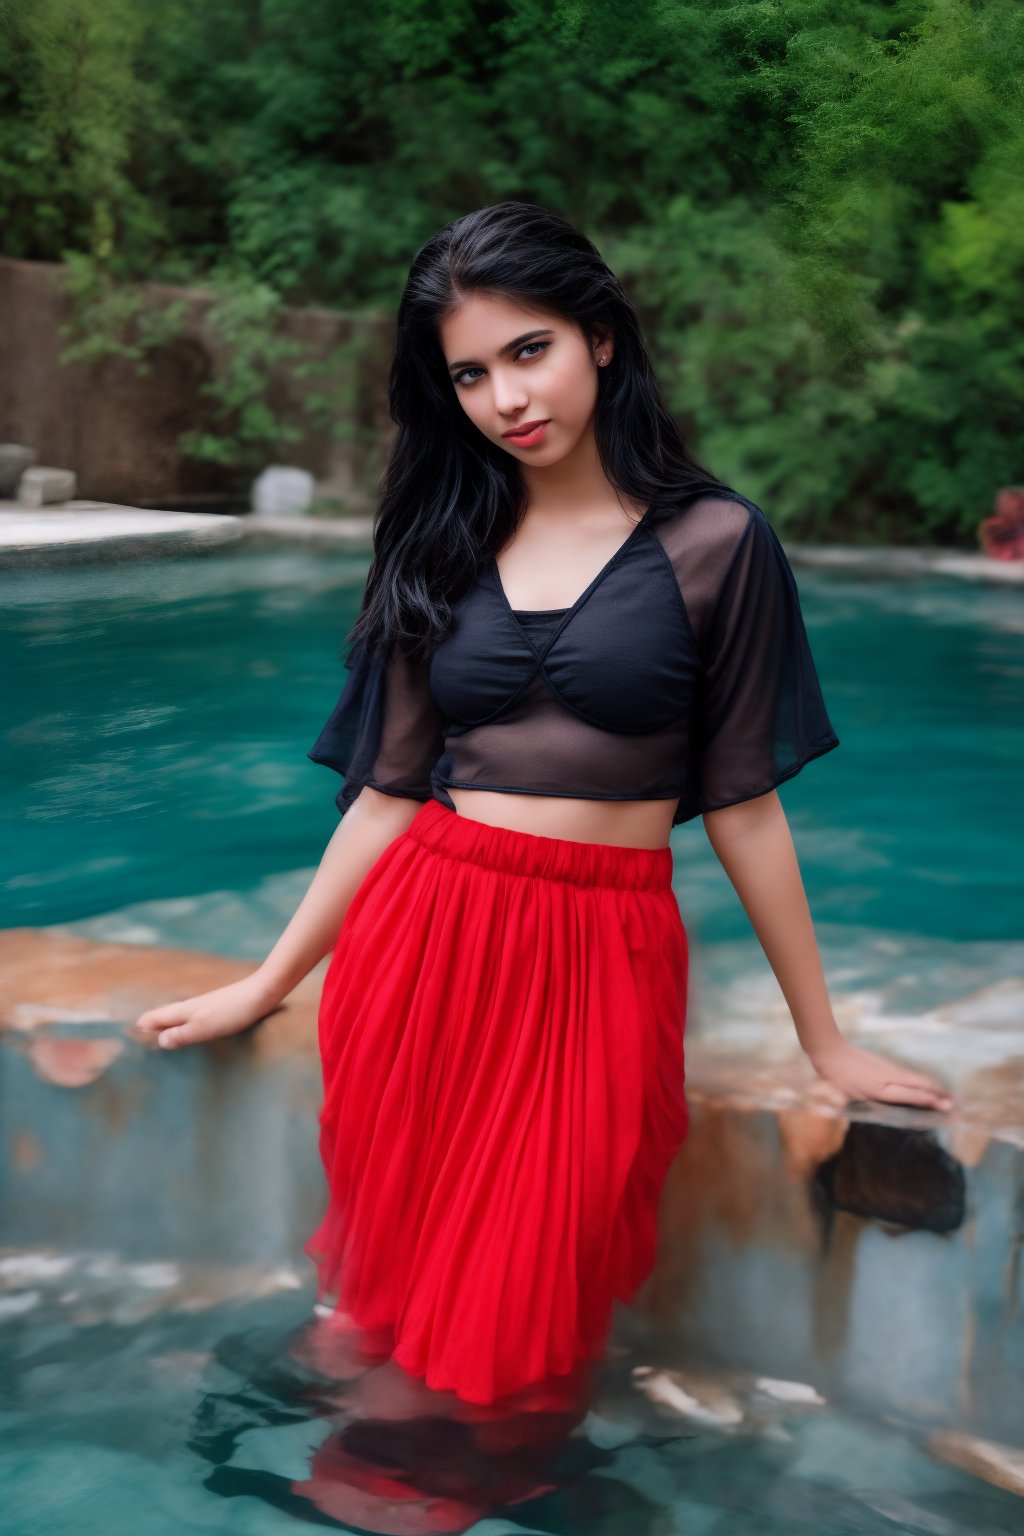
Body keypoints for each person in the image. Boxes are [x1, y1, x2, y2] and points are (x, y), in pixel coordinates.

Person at [135, 202, 954, 1412]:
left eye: (531, 351)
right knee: (376, 1329)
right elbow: (384, 799)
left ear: (602, 339)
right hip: (420, 943)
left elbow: (743, 810)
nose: (507, 398)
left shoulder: (718, 543)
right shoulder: (438, 536)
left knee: (504, 1331)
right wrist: (267, 983)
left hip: (598, 956)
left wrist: (820, 1039)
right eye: (470, 373)